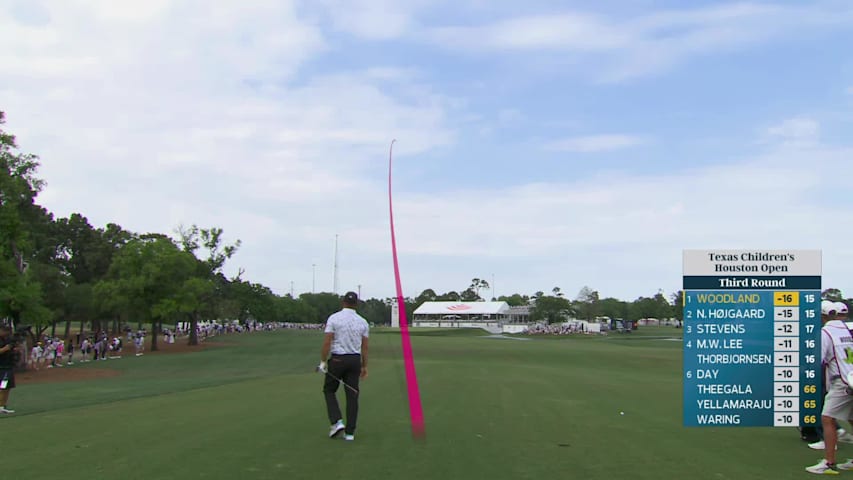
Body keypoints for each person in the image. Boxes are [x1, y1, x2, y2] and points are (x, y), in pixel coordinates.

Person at [807, 300, 853, 473]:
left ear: (823, 315)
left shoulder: (825, 332)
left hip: (841, 381)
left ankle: (829, 463)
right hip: (850, 377)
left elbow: (817, 359)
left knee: (827, 418)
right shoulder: (846, 330)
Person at [318, 291, 369, 441]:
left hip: (338, 359)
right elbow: (365, 347)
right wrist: (365, 366)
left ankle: (336, 421)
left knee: (329, 390)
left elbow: (327, 341)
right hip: (354, 360)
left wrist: (322, 361)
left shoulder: (334, 318)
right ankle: (350, 433)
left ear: (343, 302)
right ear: (356, 304)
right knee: (352, 395)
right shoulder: (363, 322)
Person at [0, 324, 19, 414]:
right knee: (3, 387)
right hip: (2, 369)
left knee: (7, 388)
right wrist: (6, 348)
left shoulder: (6, 339)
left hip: (8, 367)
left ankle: (2, 406)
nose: (6, 333)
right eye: (4, 331)